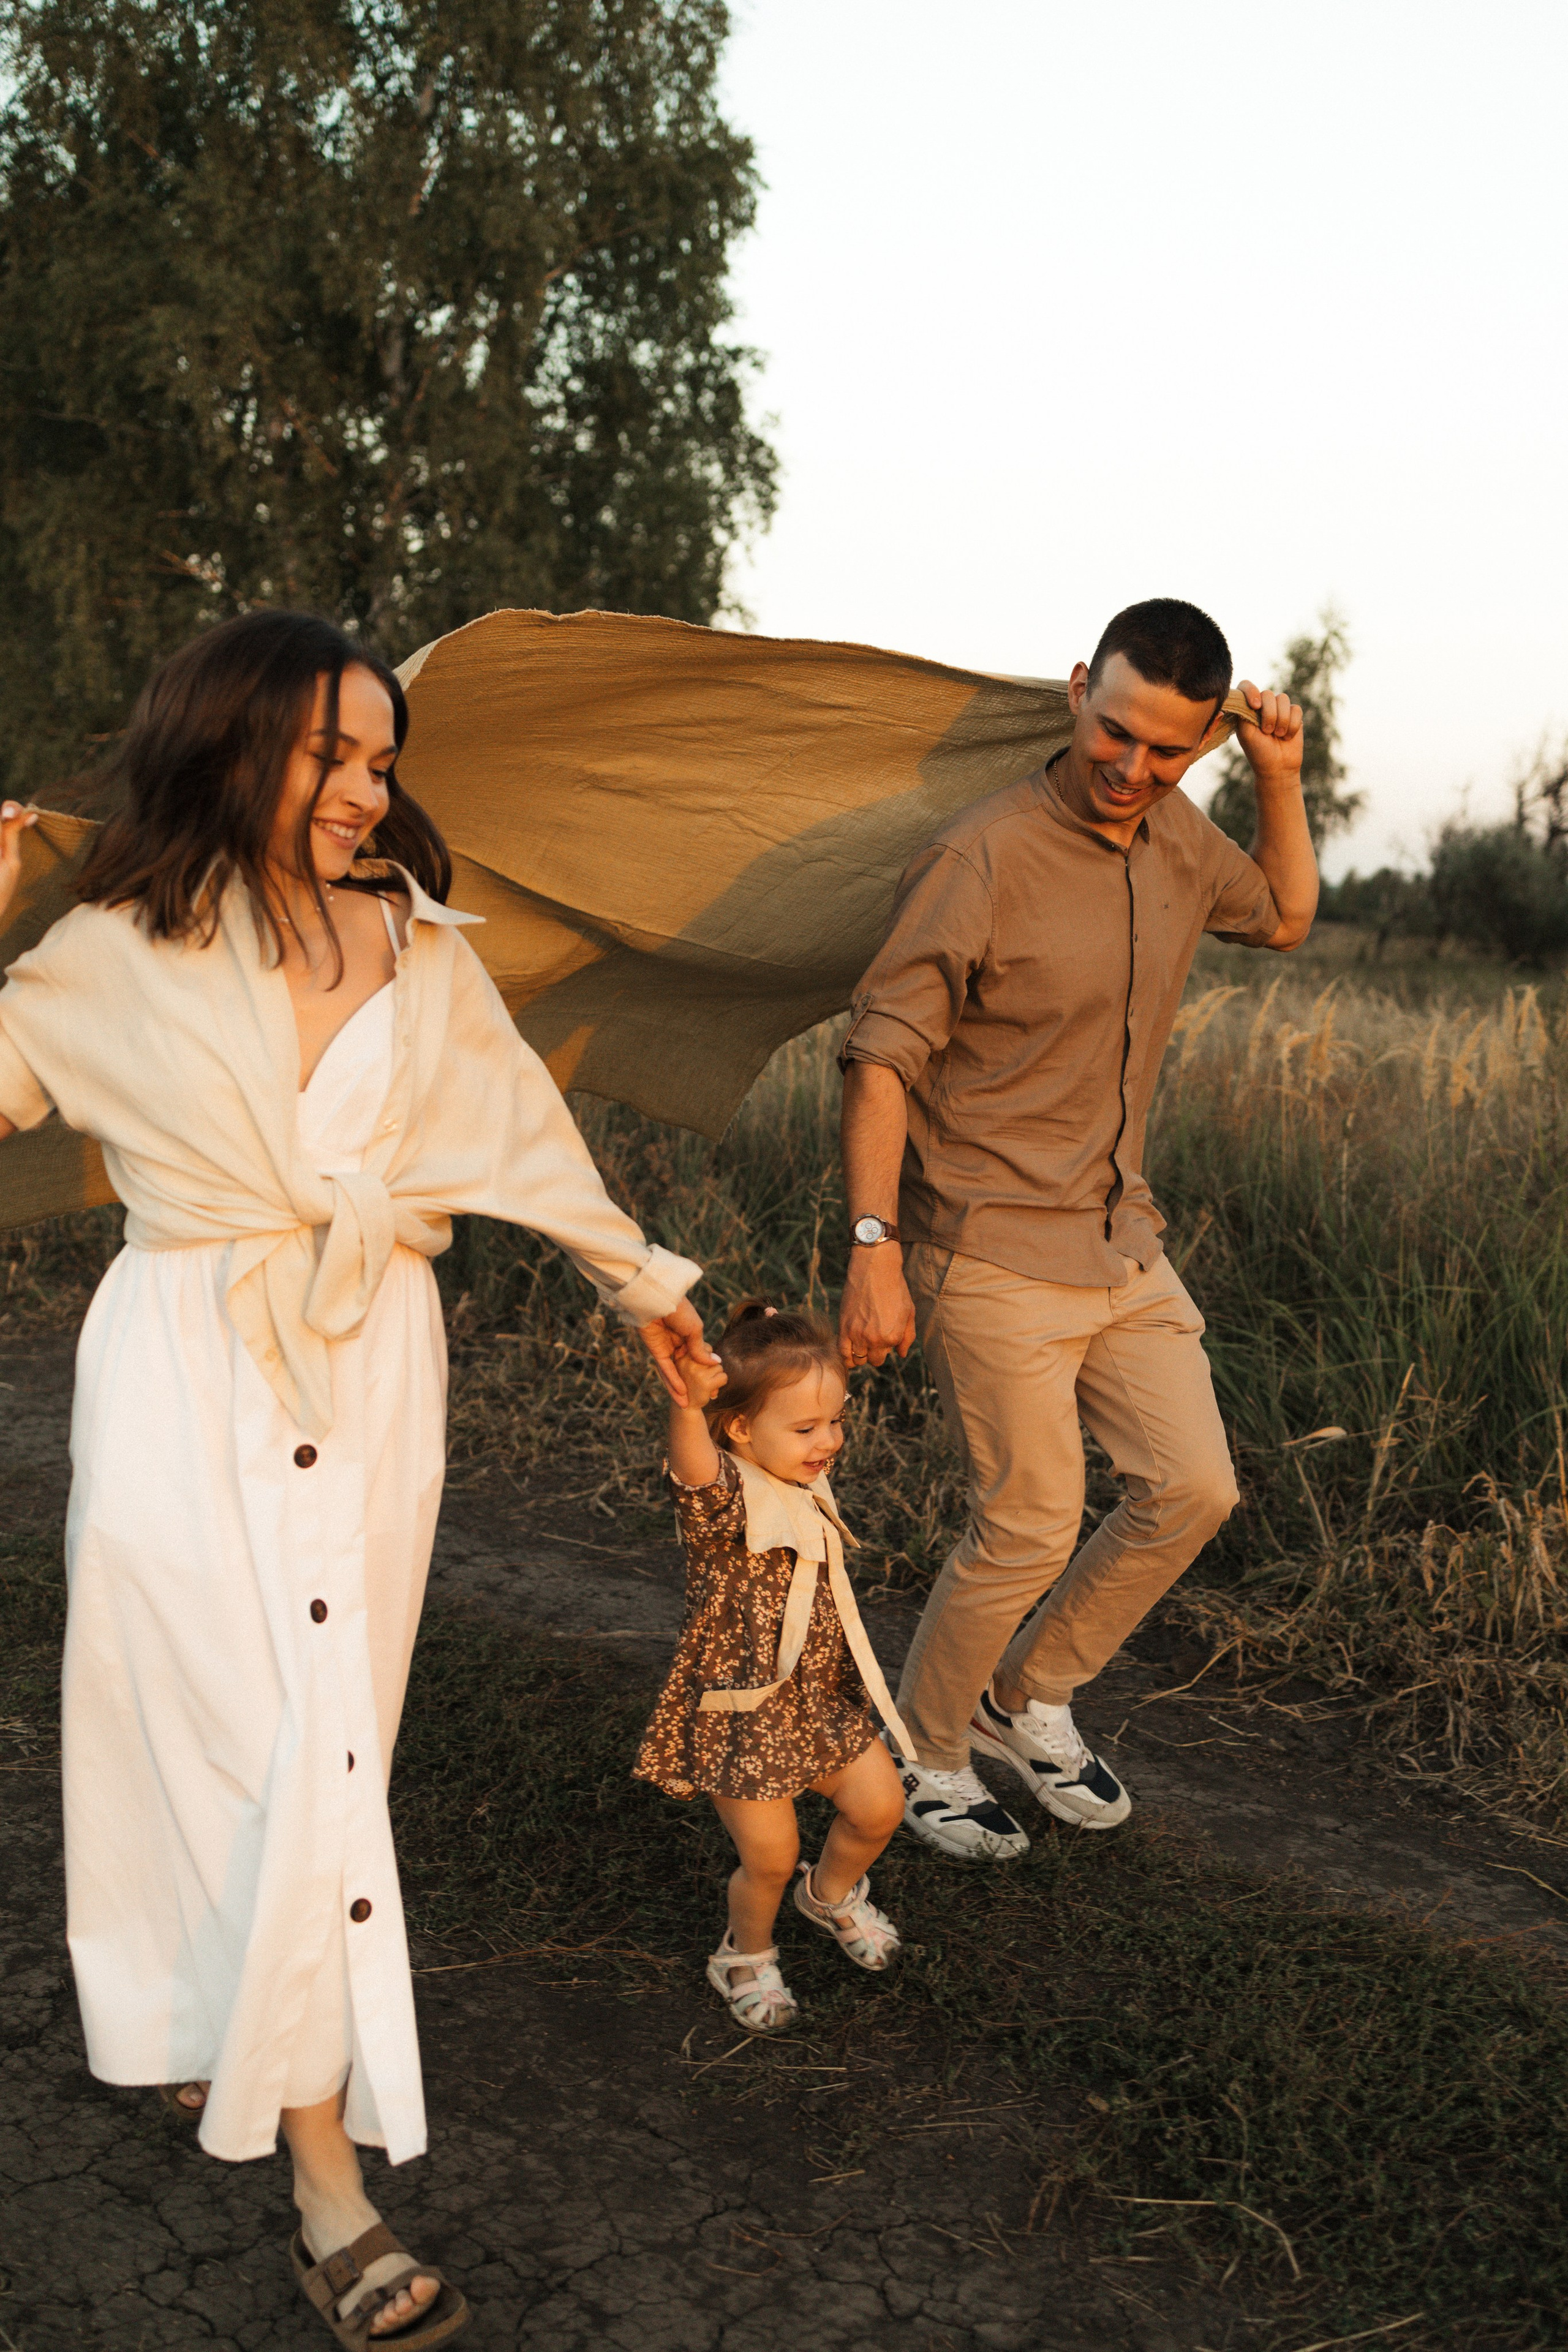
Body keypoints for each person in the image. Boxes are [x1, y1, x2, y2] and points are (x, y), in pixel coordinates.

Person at [0, 612, 715, 2348]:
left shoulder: (422, 946)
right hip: (181, 1366)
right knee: (212, 1728)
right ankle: (326, 2181)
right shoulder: (99, 953)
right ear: (235, 743)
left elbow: (527, 1151)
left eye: (385, 761)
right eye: (338, 755)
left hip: (374, 1355)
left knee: (329, 1739)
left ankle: (247, 2044)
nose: (368, 791)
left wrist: (662, 1326)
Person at [835, 598, 1317, 1863]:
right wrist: (873, 1246)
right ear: (1073, 694)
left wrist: (1278, 779)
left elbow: (1277, 915)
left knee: (1193, 1485)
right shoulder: (980, 857)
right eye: (1114, 734)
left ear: (1199, 743)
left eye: (1165, 750)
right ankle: (926, 1750)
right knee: (1031, 1518)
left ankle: (1021, 1700)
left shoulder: (1176, 838)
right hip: (981, 1238)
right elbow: (878, 1056)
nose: (1130, 769)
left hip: (1115, 1237)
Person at [635, 1301, 910, 2032]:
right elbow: (693, 1471)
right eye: (807, 1428)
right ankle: (745, 1954)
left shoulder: (798, 1475)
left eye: (835, 1422)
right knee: (770, 1857)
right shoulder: (723, 1502)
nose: (829, 1441)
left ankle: (828, 1895)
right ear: (739, 1430)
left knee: (880, 1808)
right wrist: (690, 1408)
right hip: (744, 1712)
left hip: (817, 1698)